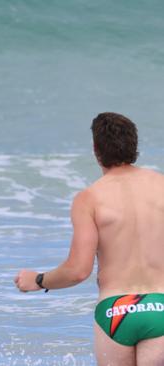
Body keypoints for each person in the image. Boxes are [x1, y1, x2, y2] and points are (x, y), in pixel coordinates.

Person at [14, 112, 164, 365]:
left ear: (96, 149)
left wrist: (38, 280)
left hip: (116, 311)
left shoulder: (89, 198)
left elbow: (78, 270)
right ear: (134, 145)